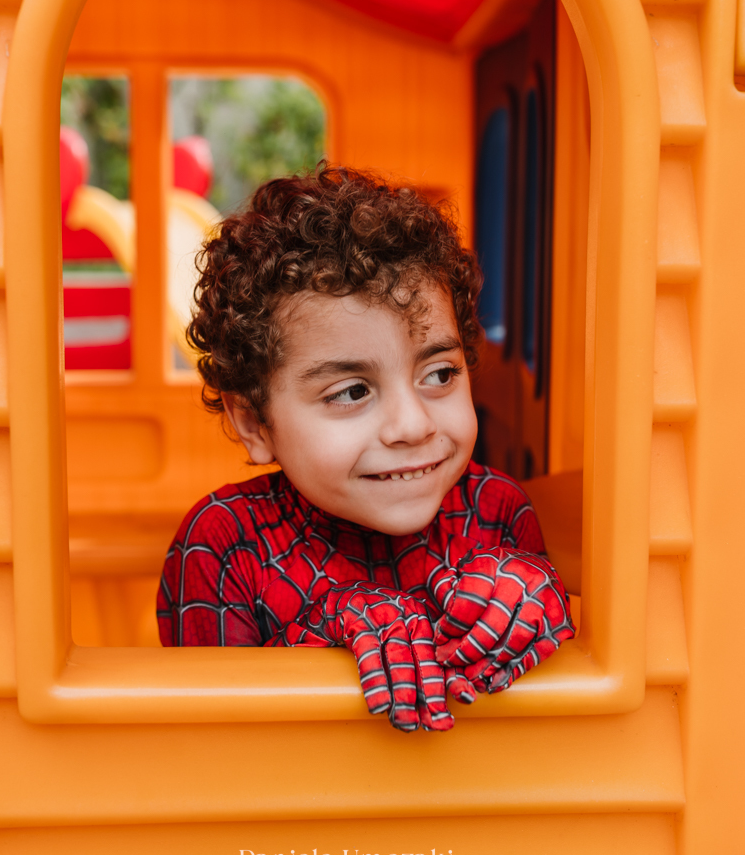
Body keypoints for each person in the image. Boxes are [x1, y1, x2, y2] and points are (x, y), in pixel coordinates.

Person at [157, 165, 575, 731]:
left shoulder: (497, 508)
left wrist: (537, 604)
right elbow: (205, 754)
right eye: (352, 391)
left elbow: (544, 732)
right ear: (255, 424)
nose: (412, 424)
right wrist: (331, 624)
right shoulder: (223, 545)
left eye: (439, 374)